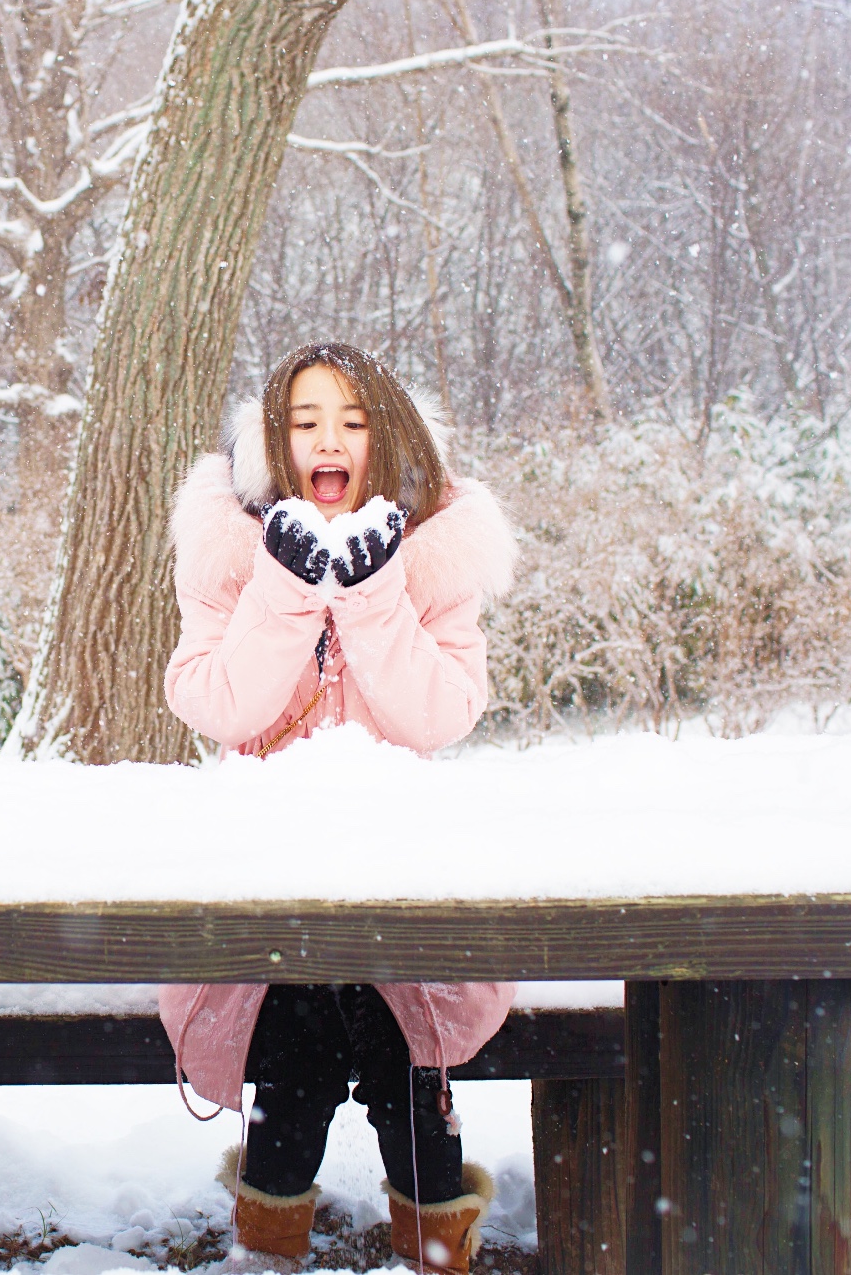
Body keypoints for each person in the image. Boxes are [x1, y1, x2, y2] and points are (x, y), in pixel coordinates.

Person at [159, 342, 520, 1274]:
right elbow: (219, 703)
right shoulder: (228, 544)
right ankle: (267, 1249)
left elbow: (442, 711)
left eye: (353, 422)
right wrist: (283, 593)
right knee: (296, 1042)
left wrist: (371, 598)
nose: (330, 440)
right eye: (306, 421)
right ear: (274, 442)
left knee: (407, 1050)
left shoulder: (436, 545)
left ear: (386, 437)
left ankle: (437, 1252)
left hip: (398, 874)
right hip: (268, 878)